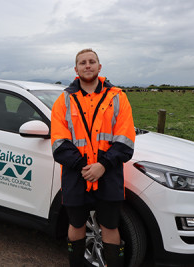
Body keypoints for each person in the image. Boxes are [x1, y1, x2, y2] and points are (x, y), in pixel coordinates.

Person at [51, 48, 136, 267]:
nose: (87, 65)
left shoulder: (118, 97)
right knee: (76, 224)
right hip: (75, 174)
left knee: (110, 226)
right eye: (82, 62)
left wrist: (103, 165)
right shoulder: (64, 100)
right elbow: (59, 144)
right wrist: (84, 167)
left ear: (99, 67)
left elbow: (125, 141)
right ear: (76, 69)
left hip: (109, 173)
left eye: (92, 61)